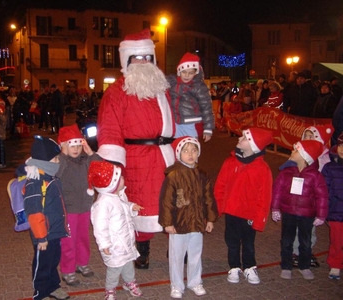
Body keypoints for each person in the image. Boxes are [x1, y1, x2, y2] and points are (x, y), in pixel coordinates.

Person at [96, 28, 174, 269]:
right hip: (135, 156)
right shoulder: (117, 91)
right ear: (126, 61)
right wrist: (112, 165)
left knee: (171, 200)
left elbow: (174, 121)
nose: (143, 62)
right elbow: (109, 128)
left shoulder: (161, 88)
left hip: (164, 155)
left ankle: (177, 246)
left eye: (147, 58)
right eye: (137, 58)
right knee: (140, 204)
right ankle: (142, 249)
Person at [159, 136, 217, 298]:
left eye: (194, 150)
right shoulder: (173, 175)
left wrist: (210, 219)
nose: (190, 154)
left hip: (198, 222)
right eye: (186, 151)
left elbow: (209, 198)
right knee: (177, 256)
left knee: (195, 254)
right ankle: (176, 285)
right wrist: (167, 223)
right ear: (179, 154)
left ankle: (195, 281)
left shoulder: (202, 174)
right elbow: (166, 201)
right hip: (179, 223)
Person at [214, 127, 273, 285]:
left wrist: (260, 219)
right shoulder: (230, 162)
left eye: (244, 138)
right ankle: (234, 266)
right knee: (232, 241)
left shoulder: (262, 169)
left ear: (254, 146)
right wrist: (217, 209)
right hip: (232, 212)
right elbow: (220, 186)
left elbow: (264, 196)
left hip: (249, 214)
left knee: (248, 242)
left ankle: (249, 266)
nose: (239, 139)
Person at [18, 135, 69, 300]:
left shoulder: (49, 176)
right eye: (55, 159)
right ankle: (40, 292)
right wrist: (41, 238)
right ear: (45, 161)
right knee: (42, 264)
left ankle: (53, 286)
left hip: (54, 230)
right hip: (43, 234)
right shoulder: (36, 182)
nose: (58, 162)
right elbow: (34, 212)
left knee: (53, 260)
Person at [271, 140, 328, 280]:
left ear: (305, 156)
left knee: (305, 241)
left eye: (296, 150)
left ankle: (304, 265)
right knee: (286, 240)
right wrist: (275, 208)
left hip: (306, 214)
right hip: (288, 212)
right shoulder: (286, 173)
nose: (292, 151)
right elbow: (277, 191)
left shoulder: (315, 176)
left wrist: (321, 215)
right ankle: (286, 265)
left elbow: (322, 196)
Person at [89, 161, 144, 300]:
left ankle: (129, 282)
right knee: (114, 268)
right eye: (119, 178)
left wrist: (131, 207)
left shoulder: (119, 195)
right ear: (111, 184)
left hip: (126, 239)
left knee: (128, 262)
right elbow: (100, 227)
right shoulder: (102, 204)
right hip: (114, 244)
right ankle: (110, 288)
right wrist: (104, 244)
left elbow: (124, 207)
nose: (123, 180)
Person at [56, 124, 101, 285]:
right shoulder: (62, 161)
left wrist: (90, 153)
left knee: (83, 237)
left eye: (78, 145)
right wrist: (62, 155)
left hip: (85, 206)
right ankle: (68, 269)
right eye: (71, 145)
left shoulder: (85, 160)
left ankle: (82, 263)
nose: (75, 149)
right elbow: (56, 173)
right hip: (69, 208)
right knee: (68, 240)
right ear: (64, 147)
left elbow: (101, 168)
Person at [167, 52, 214, 141]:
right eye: (184, 72)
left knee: (191, 148)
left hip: (190, 123)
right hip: (174, 122)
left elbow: (206, 107)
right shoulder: (172, 83)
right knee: (176, 149)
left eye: (190, 73)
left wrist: (208, 128)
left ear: (195, 73)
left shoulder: (198, 86)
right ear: (179, 71)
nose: (187, 75)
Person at [322, 133, 343, 280]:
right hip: (337, 211)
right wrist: (324, 210)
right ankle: (335, 263)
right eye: (341, 145)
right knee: (337, 240)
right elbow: (324, 190)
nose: (342, 149)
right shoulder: (330, 167)